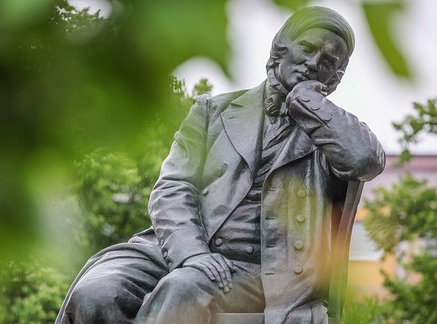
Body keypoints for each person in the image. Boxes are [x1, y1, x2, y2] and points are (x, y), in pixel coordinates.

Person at [56, 6, 385, 324]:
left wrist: (308, 102)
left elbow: (366, 160)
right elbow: (173, 188)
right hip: (175, 248)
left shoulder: (332, 135)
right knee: (96, 292)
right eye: (307, 49)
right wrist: (193, 254)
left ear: (335, 78)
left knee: (183, 290)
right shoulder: (211, 111)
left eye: (327, 62)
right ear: (280, 49)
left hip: (261, 273)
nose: (313, 63)